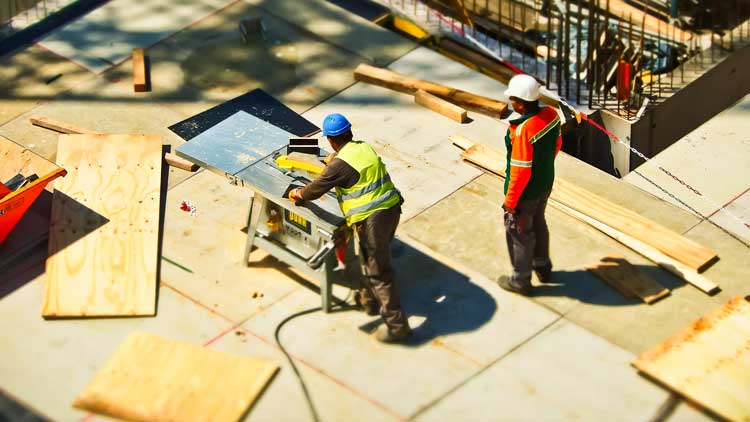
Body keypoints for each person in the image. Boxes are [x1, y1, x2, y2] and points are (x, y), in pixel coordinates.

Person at [288, 113, 412, 343]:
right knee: (370, 259)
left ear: (331, 140)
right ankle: (370, 301)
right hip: (392, 209)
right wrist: (334, 160)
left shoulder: (339, 166)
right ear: (349, 132)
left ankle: (397, 326)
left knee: (378, 272)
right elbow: (349, 164)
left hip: (372, 220)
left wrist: (298, 193)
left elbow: (315, 190)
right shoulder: (362, 147)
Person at [496, 74, 562, 296]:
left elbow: (520, 170)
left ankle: (521, 281)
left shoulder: (524, 130)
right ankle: (543, 268)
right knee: (539, 223)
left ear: (521, 103)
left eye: (512, 99)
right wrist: (543, 169)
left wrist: (511, 201)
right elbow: (557, 144)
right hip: (544, 185)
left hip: (526, 193)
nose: (510, 102)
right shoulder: (551, 115)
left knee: (519, 233)